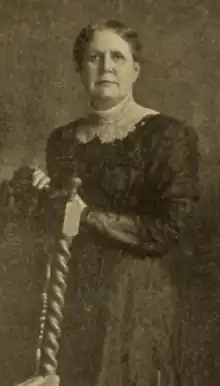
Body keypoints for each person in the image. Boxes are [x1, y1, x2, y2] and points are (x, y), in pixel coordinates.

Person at [1, 20, 200, 386]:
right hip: (74, 300)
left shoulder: (167, 135)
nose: (106, 67)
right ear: (81, 69)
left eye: (117, 58)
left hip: (135, 304)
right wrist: (42, 193)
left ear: (135, 70)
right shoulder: (62, 140)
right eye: (94, 58)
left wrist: (88, 217)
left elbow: (172, 229)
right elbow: (59, 224)